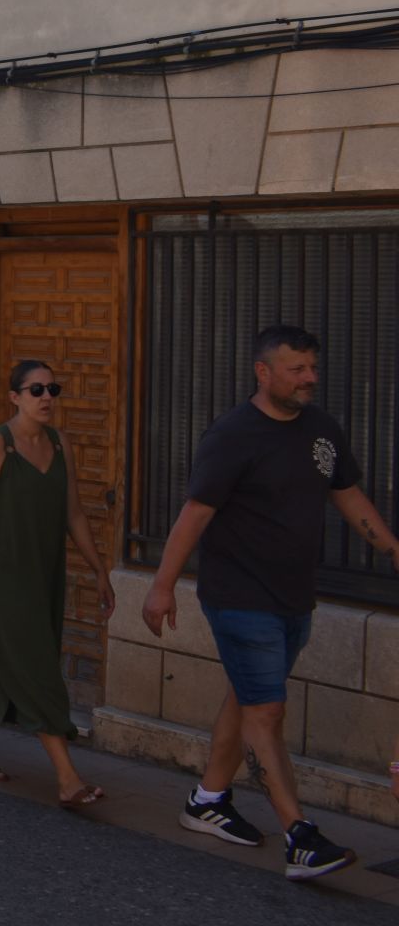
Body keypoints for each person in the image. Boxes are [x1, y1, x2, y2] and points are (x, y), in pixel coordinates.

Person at [141, 325, 399, 881]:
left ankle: (207, 801)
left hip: (292, 598)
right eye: (297, 369)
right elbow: (196, 514)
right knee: (267, 711)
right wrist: (161, 586)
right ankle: (300, 837)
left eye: (312, 367)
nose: (310, 378)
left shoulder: (321, 429)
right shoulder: (232, 435)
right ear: (264, 372)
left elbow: (347, 493)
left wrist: (393, 547)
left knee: (248, 695)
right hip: (240, 595)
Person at [0, 361, 115, 808]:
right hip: (3, 577)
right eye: (36, 390)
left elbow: (73, 512)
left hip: (44, 572)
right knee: (37, 667)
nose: (47, 397)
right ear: (14, 397)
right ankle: (68, 778)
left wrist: (98, 570)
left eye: (53, 388)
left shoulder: (59, 442)